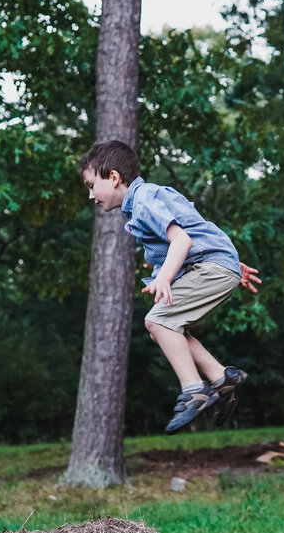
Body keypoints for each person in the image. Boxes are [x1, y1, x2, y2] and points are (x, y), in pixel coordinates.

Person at [79, 140, 262, 434]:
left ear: (113, 178)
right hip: (214, 263)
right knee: (162, 329)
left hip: (210, 266)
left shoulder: (143, 201)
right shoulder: (146, 198)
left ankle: (194, 390)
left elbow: (182, 240)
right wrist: (230, 262)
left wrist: (165, 276)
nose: (90, 195)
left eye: (91, 185)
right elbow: (195, 227)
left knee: (157, 321)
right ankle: (221, 378)